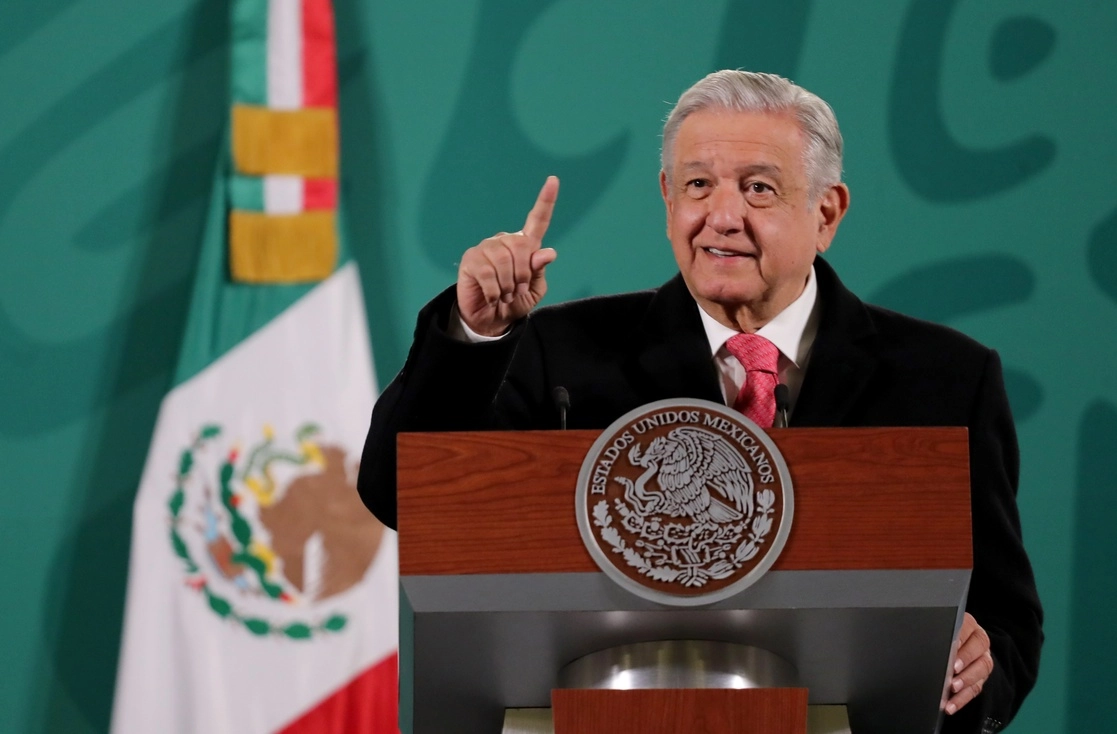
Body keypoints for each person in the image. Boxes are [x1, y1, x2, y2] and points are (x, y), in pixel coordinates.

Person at [358, 70, 1042, 732]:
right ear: (666, 199)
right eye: (697, 185)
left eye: (758, 189)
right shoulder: (559, 354)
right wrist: (476, 332)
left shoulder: (945, 379)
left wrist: (976, 670)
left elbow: (1006, 628)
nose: (722, 216)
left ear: (826, 212)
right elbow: (399, 494)